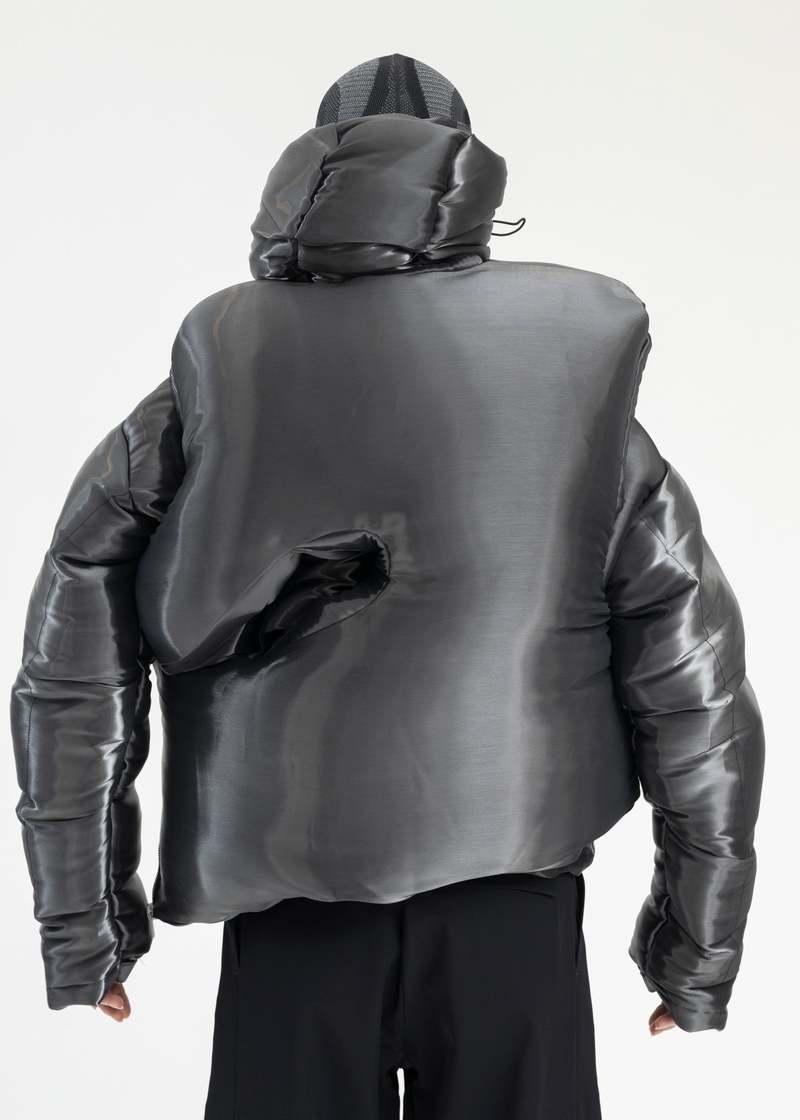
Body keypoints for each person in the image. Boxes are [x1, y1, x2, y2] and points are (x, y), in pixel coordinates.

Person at [11, 53, 765, 1119]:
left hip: (290, 919)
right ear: (469, 184)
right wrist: (694, 944)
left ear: (306, 176)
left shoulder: (213, 375)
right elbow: (695, 688)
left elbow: (72, 664)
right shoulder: (572, 398)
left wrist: (85, 927)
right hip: (513, 915)